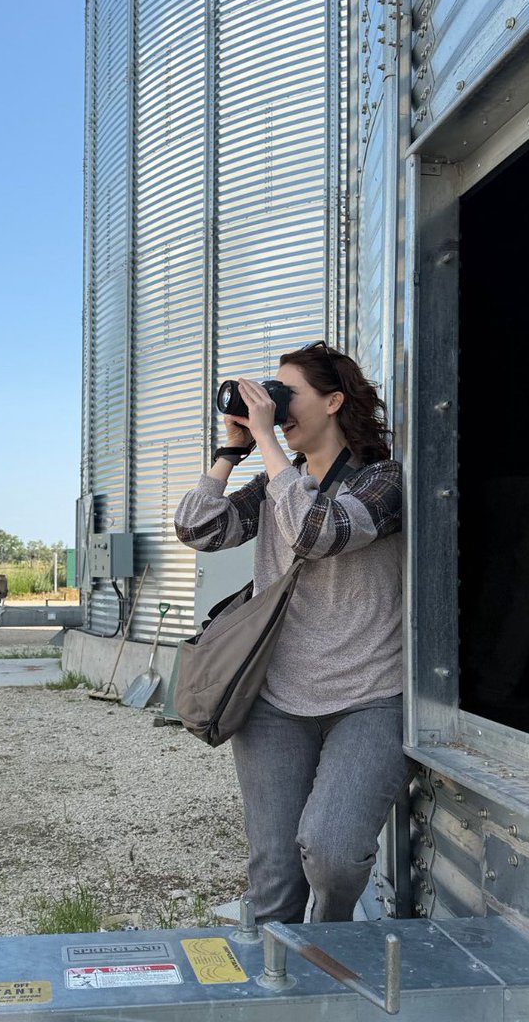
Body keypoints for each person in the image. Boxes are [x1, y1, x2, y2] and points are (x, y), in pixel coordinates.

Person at [174, 340, 412, 924]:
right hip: (276, 700)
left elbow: (318, 532)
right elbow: (197, 529)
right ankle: (275, 994)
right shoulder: (281, 483)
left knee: (331, 853)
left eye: (286, 395)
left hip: (369, 698)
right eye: (269, 394)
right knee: (276, 876)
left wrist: (269, 444)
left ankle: (330, 937)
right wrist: (231, 451)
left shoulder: (382, 482)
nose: (272, 406)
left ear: (333, 401)